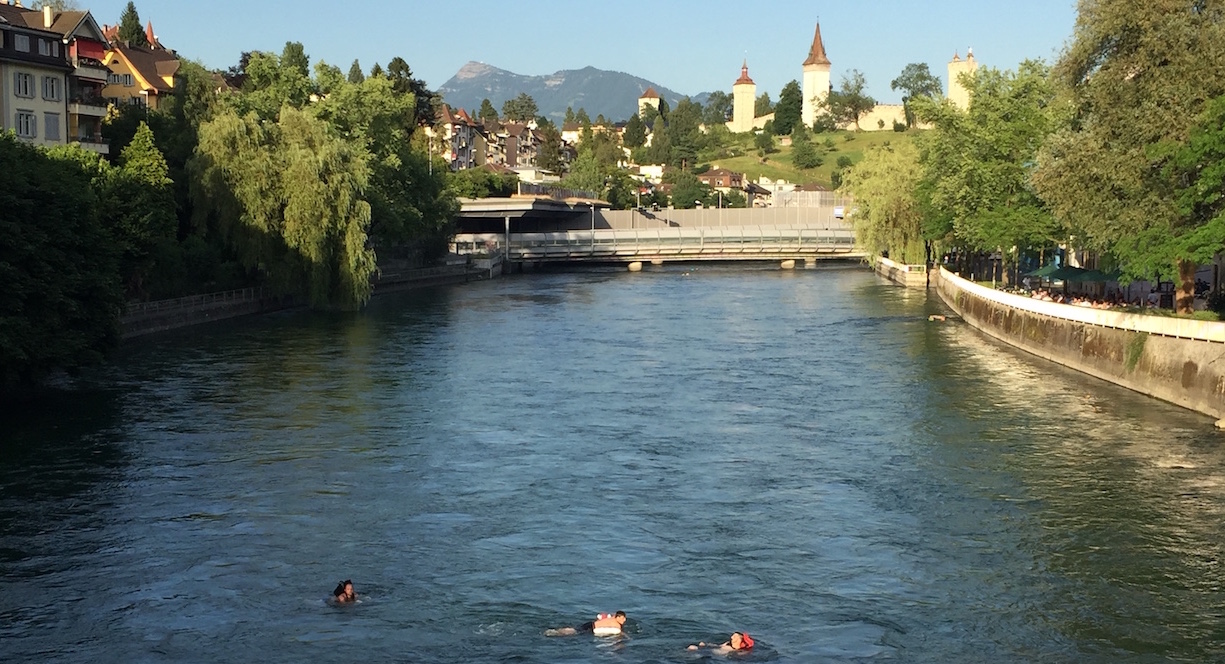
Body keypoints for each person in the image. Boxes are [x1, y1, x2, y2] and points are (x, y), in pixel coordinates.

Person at [545, 611, 626, 636]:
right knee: (574, 632)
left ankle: (557, 631)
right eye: (622, 618)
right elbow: (620, 633)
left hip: (590, 623)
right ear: (617, 617)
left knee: (575, 629)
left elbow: (602, 616)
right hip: (591, 628)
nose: (624, 620)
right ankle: (554, 633)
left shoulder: (611, 617)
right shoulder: (617, 625)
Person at [688, 631, 754, 653]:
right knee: (692, 647)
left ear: (739, 639)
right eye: (732, 636)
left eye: (734, 636)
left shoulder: (740, 651)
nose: (731, 637)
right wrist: (707, 644)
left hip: (712, 654)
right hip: (711, 650)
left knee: (693, 648)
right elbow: (718, 646)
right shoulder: (728, 643)